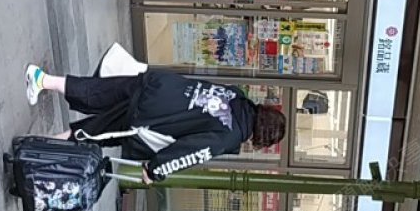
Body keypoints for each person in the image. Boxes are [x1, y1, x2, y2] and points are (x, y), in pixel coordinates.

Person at [25, 63, 286, 184]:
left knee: (97, 91)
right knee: (93, 133)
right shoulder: (230, 135)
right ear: (262, 138)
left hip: (156, 85)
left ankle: (42, 79)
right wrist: (155, 170)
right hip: (149, 118)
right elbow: (190, 151)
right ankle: (35, 151)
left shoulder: (236, 96)